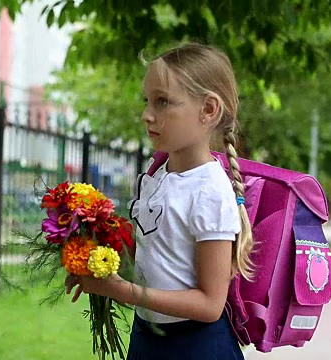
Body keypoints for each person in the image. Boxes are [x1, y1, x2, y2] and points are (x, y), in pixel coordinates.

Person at [65, 43, 254, 360]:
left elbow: (209, 305)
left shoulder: (209, 190)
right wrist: (96, 266)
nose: (147, 114)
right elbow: (155, 265)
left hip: (196, 348)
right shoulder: (158, 176)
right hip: (149, 340)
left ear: (208, 110)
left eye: (162, 102)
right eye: (147, 101)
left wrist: (119, 291)